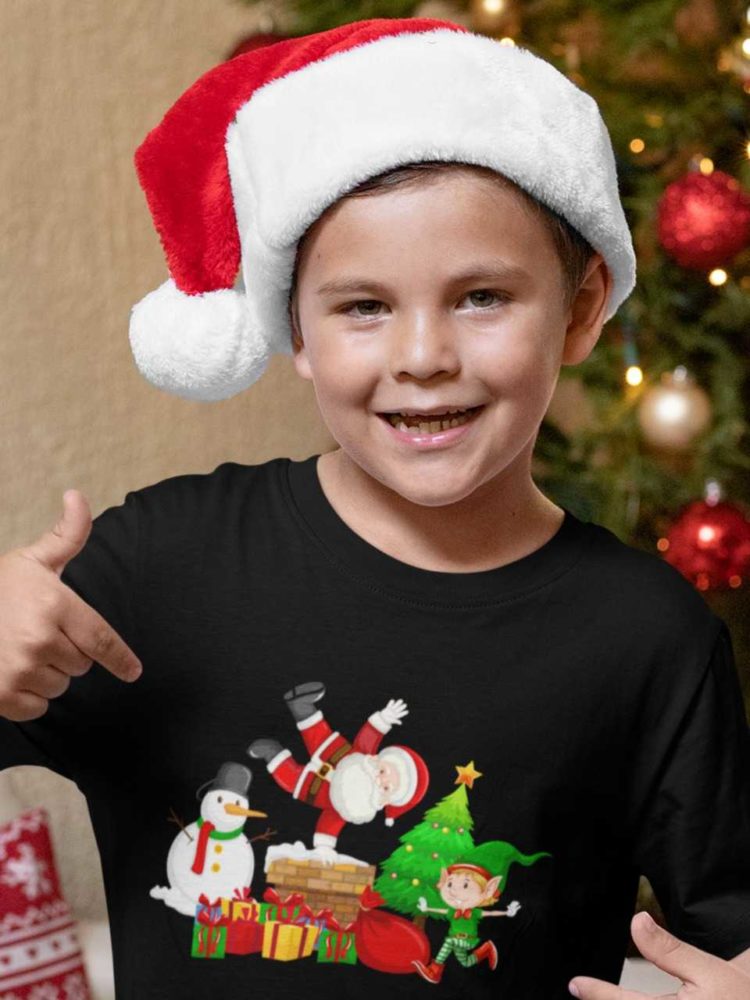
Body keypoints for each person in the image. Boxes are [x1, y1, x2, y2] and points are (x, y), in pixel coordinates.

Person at [0, 16, 748, 1000]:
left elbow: (730, 935)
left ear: (579, 308)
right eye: (363, 306)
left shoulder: (649, 635)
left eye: (481, 296)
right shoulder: (156, 567)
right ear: (294, 329)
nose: (424, 355)